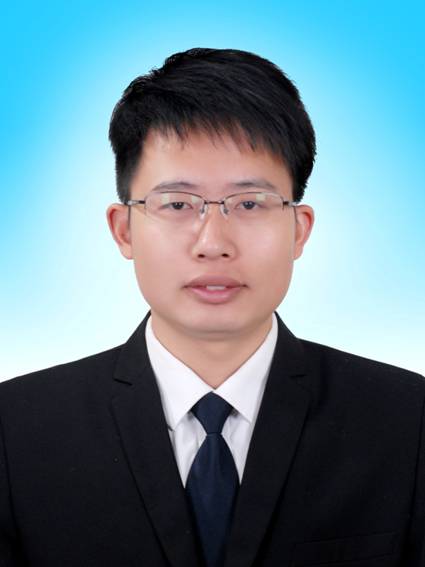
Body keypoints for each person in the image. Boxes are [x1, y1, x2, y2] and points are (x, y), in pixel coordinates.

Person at [0, 47, 424, 567]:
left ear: (299, 230)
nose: (213, 243)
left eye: (249, 204)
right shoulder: (16, 430)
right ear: (123, 229)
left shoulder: (408, 422)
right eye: (178, 204)